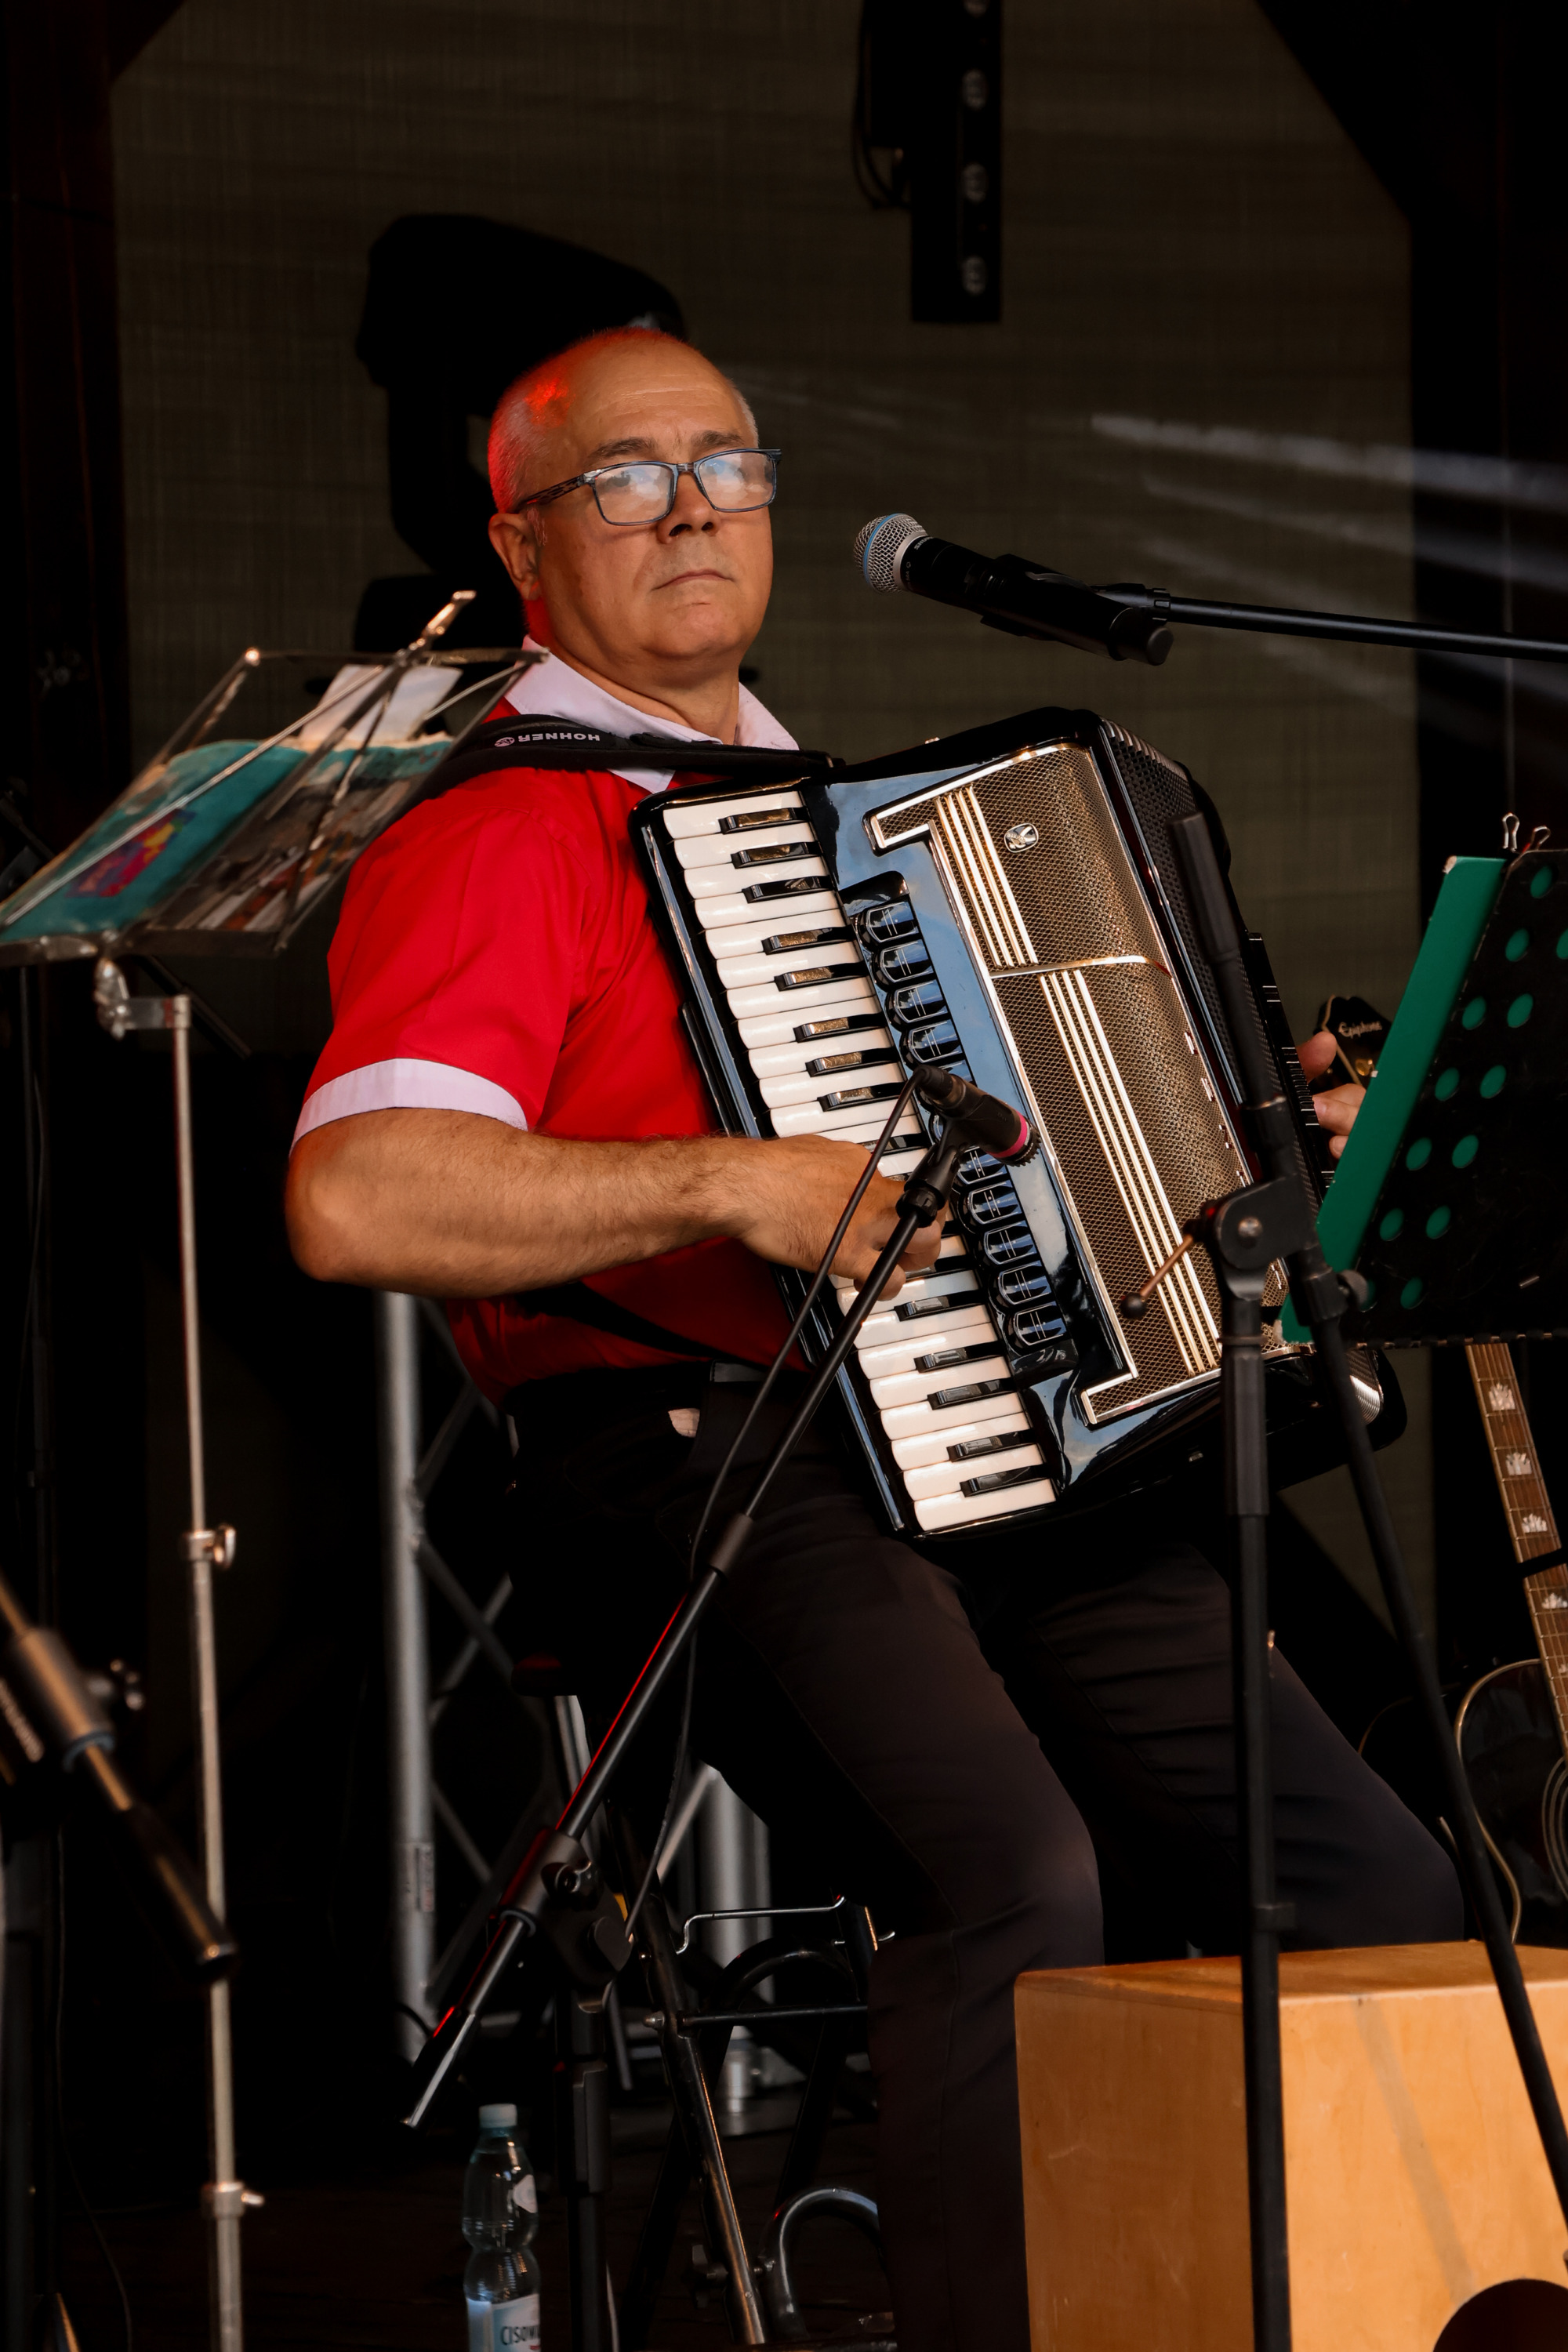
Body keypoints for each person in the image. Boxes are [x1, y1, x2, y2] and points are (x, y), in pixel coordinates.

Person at [286, 326, 1460, 2352]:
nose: (691, 511)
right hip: (696, 1452)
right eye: (627, 477)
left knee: (1372, 1881)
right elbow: (356, 1196)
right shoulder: (498, 832)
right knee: (1017, 1874)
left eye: (727, 466)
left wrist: (1258, 1136)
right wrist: (730, 1185)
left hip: (999, 1437)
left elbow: (1039, 1159)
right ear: (524, 544)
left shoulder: (843, 820)